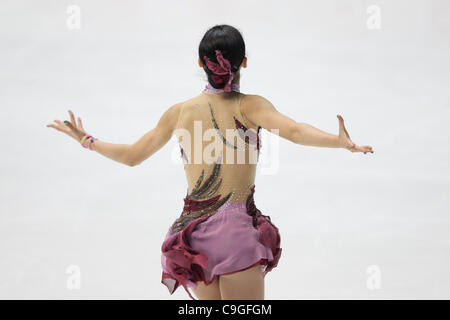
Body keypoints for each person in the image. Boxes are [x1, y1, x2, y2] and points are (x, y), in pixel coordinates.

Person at [47, 24, 374, 300]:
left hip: (195, 239)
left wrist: (87, 141)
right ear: (243, 62)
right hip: (235, 237)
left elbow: (133, 156)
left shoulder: (180, 112)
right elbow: (294, 130)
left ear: (200, 62)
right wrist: (337, 141)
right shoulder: (250, 107)